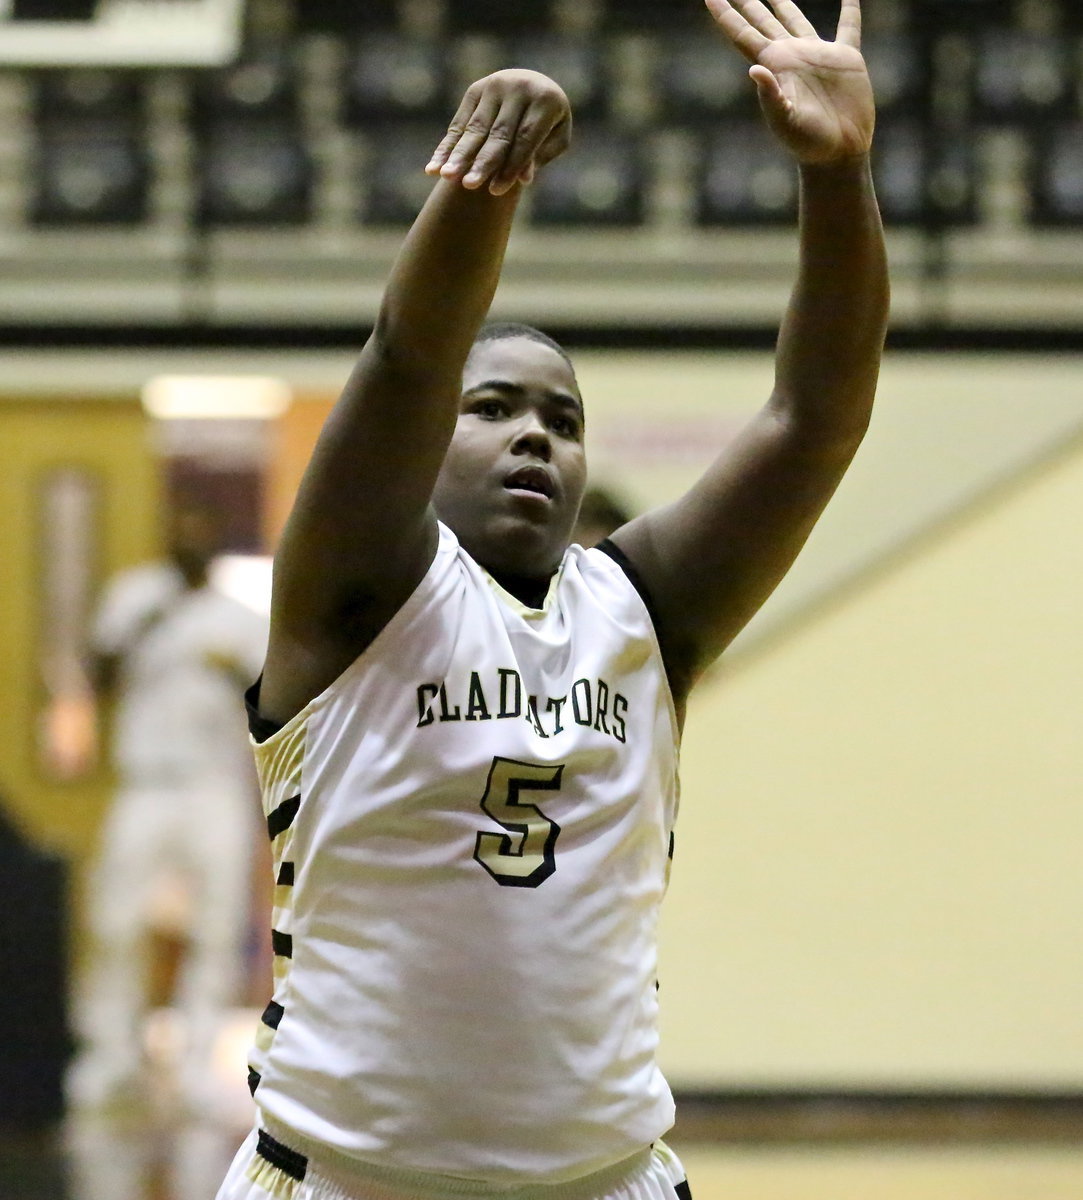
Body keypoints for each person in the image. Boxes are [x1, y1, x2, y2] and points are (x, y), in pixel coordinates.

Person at [218, 1, 888, 1197]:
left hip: (606, 1174)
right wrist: (489, 182)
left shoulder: (644, 612)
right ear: (427, 443)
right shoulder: (354, 597)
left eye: (563, 419)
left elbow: (813, 420)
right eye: (495, 410)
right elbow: (407, 358)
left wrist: (840, 180)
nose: (535, 435)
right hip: (345, 1176)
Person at [67, 499, 269, 1117]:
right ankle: (111, 1057)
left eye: (204, 532)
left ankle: (198, 1059)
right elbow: (95, 676)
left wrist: (233, 671)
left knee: (216, 925)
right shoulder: (135, 596)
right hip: (145, 784)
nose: (193, 541)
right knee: (117, 921)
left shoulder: (240, 619)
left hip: (215, 786)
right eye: (183, 529)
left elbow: (270, 703)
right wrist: (150, 623)